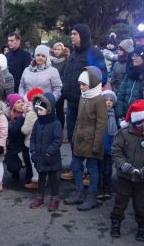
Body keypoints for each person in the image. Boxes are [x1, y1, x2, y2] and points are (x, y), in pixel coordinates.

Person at [61, 23, 107, 181]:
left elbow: (102, 76)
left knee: (88, 138)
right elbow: (68, 74)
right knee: (74, 138)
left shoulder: (94, 53)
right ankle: (76, 170)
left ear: (83, 35)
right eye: (71, 33)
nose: (71, 36)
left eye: (74, 33)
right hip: (72, 105)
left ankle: (89, 172)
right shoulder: (73, 53)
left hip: (87, 104)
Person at [64, 66, 107, 211]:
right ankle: (79, 192)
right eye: (80, 84)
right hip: (80, 140)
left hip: (92, 141)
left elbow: (102, 125)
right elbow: (78, 120)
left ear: (93, 83)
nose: (81, 87)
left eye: (84, 84)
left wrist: (96, 145)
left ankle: (92, 196)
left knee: (92, 168)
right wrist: (75, 136)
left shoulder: (99, 100)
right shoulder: (84, 97)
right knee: (75, 166)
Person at [110, 99, 144, 242]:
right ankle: (115, 223)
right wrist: (123, 164)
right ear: (138, 122)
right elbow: (116, 151)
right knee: (120, 202)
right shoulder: (124, 133)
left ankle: (143, 227)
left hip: (142, 179)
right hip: (125, 177)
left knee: (141, 204)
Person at [29, 92, 63, 211]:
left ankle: (55, 198)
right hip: (39, 157)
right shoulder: (38, 122)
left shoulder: (55, 123)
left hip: (51, 158)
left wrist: (49, 152)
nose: (38, 112)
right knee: (41, 178)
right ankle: (40, 197)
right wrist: (32, 151)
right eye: (37, 109)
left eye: (41, 110)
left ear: (48, 109)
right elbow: (32, 137)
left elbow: (58, 140)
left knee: (54, 179)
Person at [4, 93, 32, 183]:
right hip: (13, 147)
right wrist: (23, 117)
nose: (21, 104)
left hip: (26, 146)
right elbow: (13, 130)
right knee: (13, 167)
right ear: (13, 106)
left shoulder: (29, 114)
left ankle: (29, 172)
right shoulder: (8, 117)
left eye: (22, 102)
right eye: (18, 102)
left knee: (29, 160)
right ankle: (15, 172)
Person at [116, 46, 144, 121]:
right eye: (133, 56)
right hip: (124, 115)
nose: (133, 58)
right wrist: (120, 115)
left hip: (140, 117)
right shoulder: (129, 73)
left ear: (143, 58)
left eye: (136, 56)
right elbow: (121, 94)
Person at [21, 88, 43, 189]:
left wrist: (24, 117)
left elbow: (25, 130)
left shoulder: (31, 113)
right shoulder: (43, 110)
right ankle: (43, 179)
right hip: (42, 141)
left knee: (34, 163)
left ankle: (36, 181)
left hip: (31, 142)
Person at [97, 90, 118, 200]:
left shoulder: (115, 116)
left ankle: (107, 188)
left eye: (111, 100)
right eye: (106, 100)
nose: (109, 102)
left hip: (110, 150)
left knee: (108, 170)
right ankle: (100, 188)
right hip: (99, 149)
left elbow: (117, 135)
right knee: (99, 169)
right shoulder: (98, 116)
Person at [51, 42, 68, 129]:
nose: (56, 51)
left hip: (60, 87)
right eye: (55, 49)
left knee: (59, 109)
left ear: (62, 50)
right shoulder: (50, 60)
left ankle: (60, 129)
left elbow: (65, 75)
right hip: (50, 87)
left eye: (58, 49)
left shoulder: (65, 60)